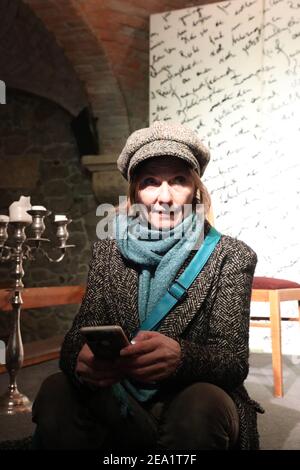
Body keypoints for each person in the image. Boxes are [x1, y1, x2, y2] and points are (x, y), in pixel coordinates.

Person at [32, 121, 263, 450]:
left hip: (188, 397)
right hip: (118, 395)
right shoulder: (108, 251)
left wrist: (182, 358)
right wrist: (78, 360)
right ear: (135, 191)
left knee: (200, 405)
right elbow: (80, 332)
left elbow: (233, 361)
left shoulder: (231, 256)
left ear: (195, 188)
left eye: (178, 181)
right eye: (151, 182)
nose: (164, 197)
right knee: (56, 390)